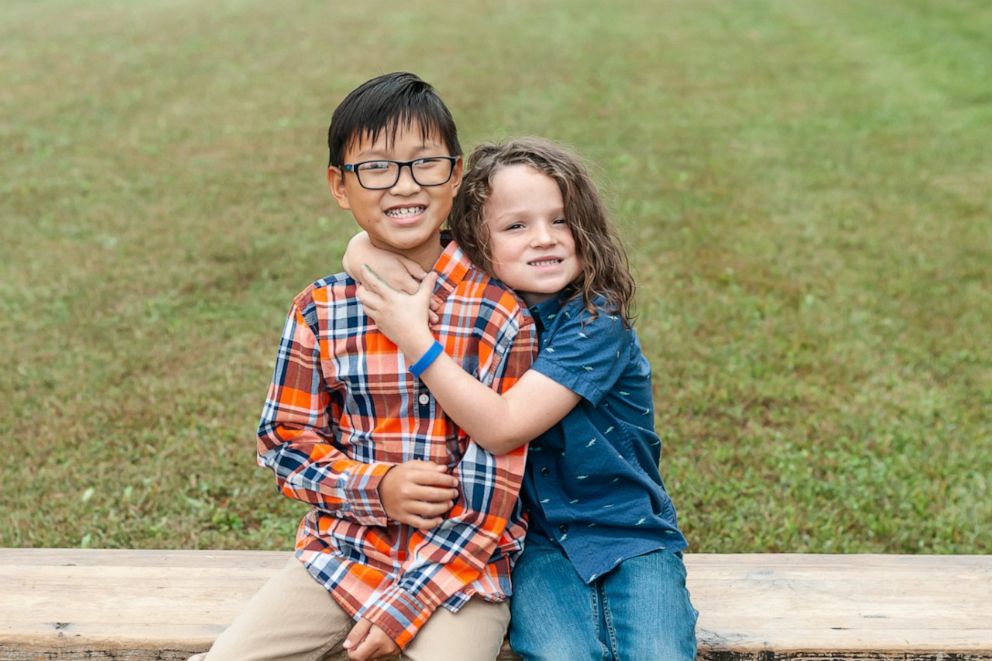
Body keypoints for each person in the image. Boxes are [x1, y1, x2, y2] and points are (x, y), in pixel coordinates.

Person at [195, 73, 536, 661]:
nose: (403, 184)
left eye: (424, 163)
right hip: (342, 554)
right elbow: (285, 443)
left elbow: (493, 500)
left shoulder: (500, 315)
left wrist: (404, 607)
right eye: (376, 167)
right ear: (339, 185)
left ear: (454, 175)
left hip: (460, 571)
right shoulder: (321, 311)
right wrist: (377, 488)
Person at [349, 137, 699, 660]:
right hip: (528, 543)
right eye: (516, 226)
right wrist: (359, 250)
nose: (544, 239)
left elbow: (504, 426)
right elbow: (381, 244)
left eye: (561, 221)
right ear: (477, 243)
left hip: (629, 533)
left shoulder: (593, 321)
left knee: (660, 654)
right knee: (560, 655)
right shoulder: (481, 300)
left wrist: (415, 340)